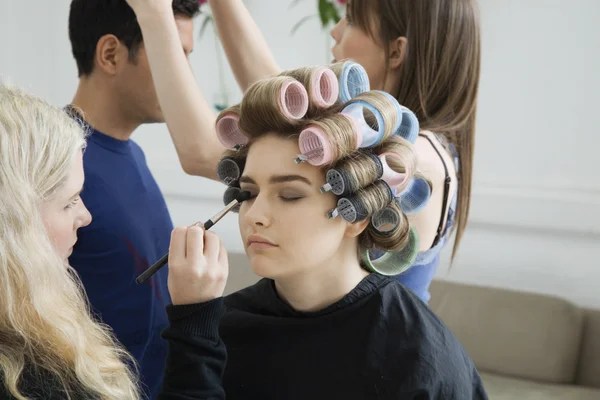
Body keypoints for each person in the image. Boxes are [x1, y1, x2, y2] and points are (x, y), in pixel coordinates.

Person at [157, 65, 489, 399]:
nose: (255, 215)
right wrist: (193, 324)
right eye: (249, 194)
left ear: (356, 216)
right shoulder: (221, 329)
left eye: (290, 195)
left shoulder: (420, 359)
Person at [125, 0, 481, 304]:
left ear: (396, 51)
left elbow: (202, 151)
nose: (336, 30)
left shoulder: (408, 160)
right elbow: (279, 103)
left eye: (353, 20)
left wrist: (153, 13)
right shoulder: (434, 148)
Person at [0, 82, 230, 400]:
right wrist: (196, 321)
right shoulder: (31, 381)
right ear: (14, 219)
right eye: (69, 202)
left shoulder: (34, 326)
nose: (85, 216)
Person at [65, 0, 212, 398]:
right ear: (111, 54)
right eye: (172, 53)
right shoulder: (55, 165)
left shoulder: (134, 154)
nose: (184, 76)